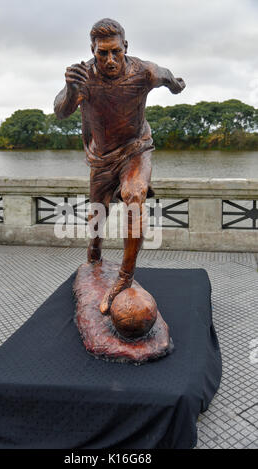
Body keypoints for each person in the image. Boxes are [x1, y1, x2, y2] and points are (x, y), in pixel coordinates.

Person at [54, 18, 185, 314]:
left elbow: (171, 80)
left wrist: (177, 85)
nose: (110, 60)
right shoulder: (83, 76)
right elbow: (61, 112)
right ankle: (95, 247)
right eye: (102, 53)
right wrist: (70, 88)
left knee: (134, 197)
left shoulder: (145, 72)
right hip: (101, 157)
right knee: (98, 212)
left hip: (136, 148)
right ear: (93, 50)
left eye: (116, 51)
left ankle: (125, 276)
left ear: (125, 46)